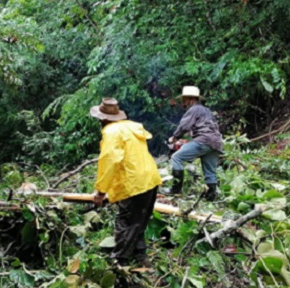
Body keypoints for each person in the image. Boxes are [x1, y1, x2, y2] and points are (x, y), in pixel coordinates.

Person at [91, 98, 162, 264]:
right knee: (139, 221)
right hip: (149, 179)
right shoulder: (131, 127)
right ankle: (140, 256)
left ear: (103, 119)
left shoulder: (111, 132)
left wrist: (101, 191)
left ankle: (120, 262)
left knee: (126, 222)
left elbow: (110, 161)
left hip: (133, 183)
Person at [164, 86, 223, 201]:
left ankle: (176, 190)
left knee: (176, 157)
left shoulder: (194, 109)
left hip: (204, 139)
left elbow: (184, 126)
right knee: (210, 171)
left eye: (184, 99)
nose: (183, 102)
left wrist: (175, 137)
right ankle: (211, 196)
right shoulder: (206, 110)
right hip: (216, 142)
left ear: (190, 99)